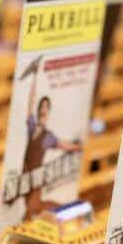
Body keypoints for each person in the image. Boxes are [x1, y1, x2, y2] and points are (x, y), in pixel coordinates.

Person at [21, 60, 81, 220]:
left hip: (35, 179)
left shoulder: (49, 136)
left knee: (31, 208)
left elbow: (64, 145)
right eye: (41, 107)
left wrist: (77, 147)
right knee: (26, 205)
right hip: (24, 175)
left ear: (48, 112)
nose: (43, 110)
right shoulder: (32, 127)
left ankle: (50, 213)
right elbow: (30, 102)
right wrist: (34, 77)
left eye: (46, 107)